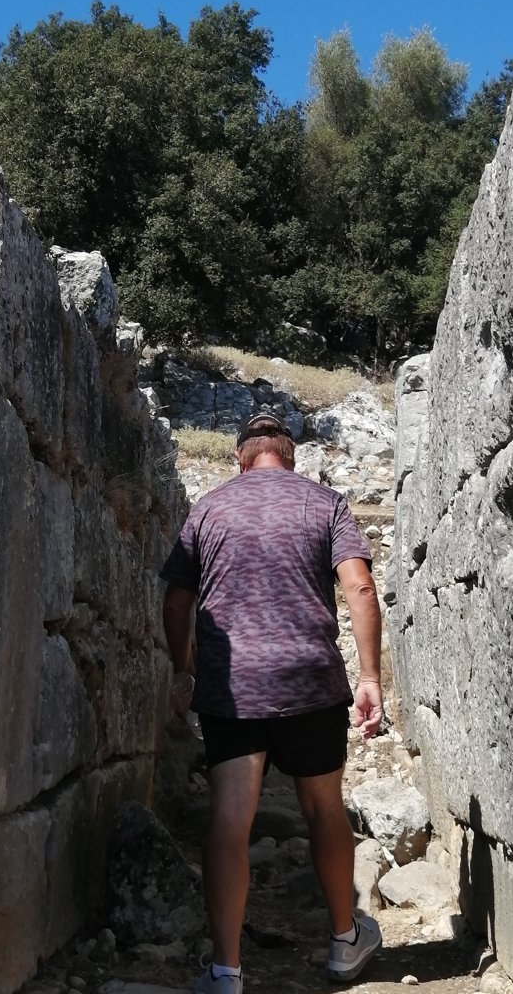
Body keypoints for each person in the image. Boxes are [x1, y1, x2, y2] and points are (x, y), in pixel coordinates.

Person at [161, 411, 385, 993]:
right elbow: (359, 586)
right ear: (290, 455)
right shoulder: (326, 503)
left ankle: (226, 971)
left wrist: (182, 670)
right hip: (310, 681)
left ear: (242, 456)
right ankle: (343, 942)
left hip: (233, 685)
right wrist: (370, 677)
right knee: (323, 810)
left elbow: (178, 602)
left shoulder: (209, 508)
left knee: (230, 821)